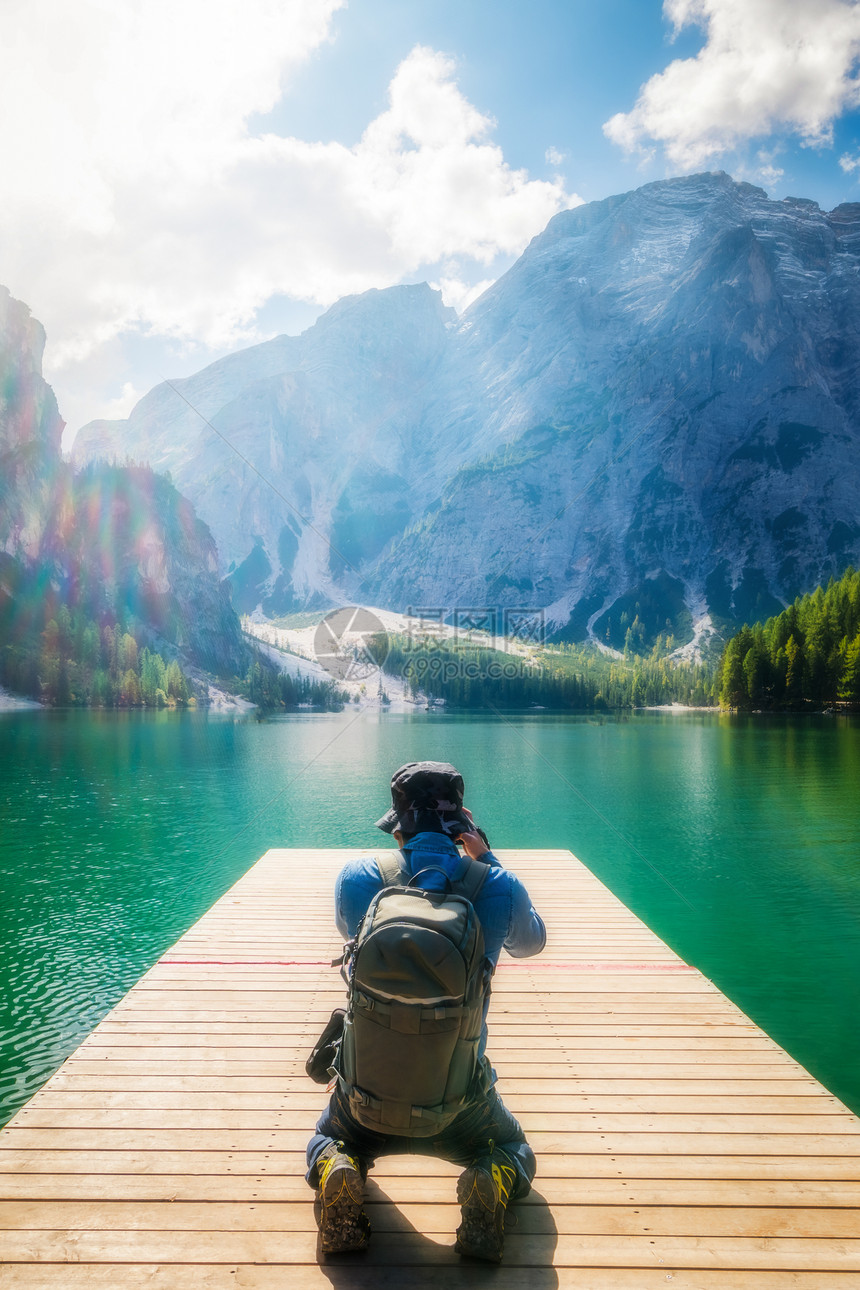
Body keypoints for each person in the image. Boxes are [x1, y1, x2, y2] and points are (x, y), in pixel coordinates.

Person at [306, 760, 546, 1262]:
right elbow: (532, 943)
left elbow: (348, 934)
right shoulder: (495, 885)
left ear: (398, 823)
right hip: (460, 1101)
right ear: (460, 825)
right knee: (516, 1149)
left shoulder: (357, 878)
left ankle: (339, 1167)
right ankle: (490, 1176)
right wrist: (487, 857)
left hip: (364, 1096)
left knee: (324, 1140)